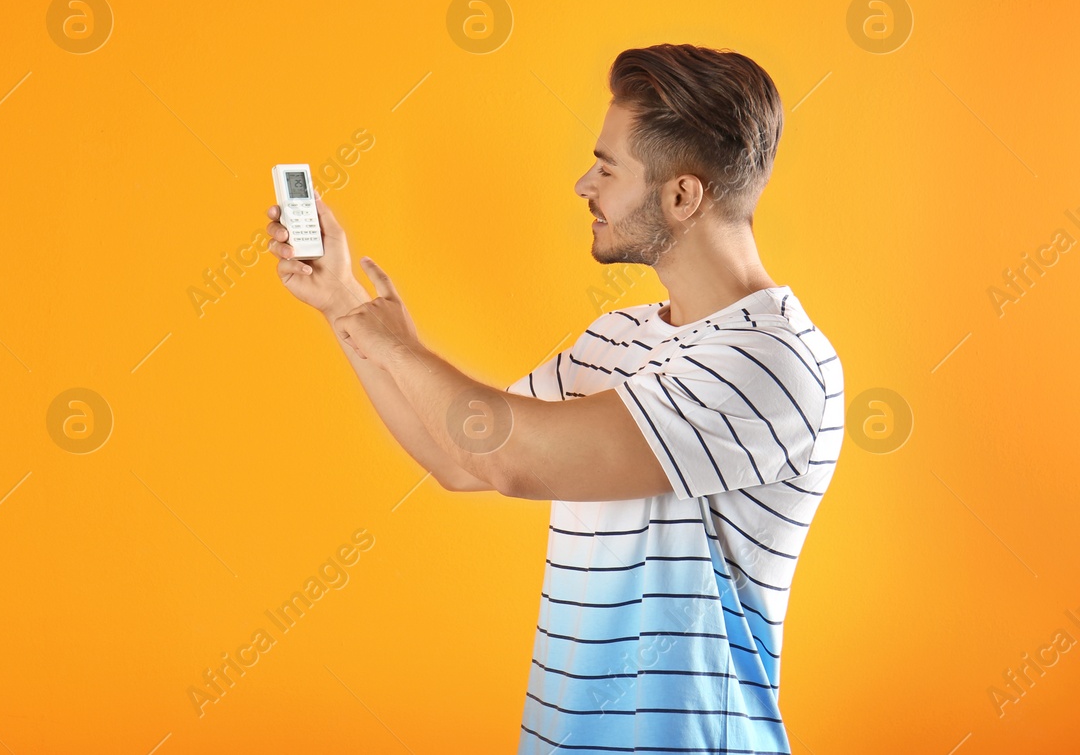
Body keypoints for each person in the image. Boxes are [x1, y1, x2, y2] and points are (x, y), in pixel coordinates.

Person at [265, 43, 842, 754]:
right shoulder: (620, 337)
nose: (583, 184)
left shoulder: (770, 360)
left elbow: (514, 459)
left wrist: (396, 346)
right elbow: (465, 458)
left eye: (607, 166)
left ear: (683, 195)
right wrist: (343, 302)